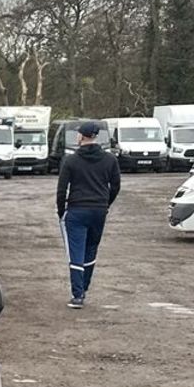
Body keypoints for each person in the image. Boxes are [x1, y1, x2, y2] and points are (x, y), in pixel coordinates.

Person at [55, 120, 121, 308]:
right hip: (99, 210)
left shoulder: (71, 160)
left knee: (75, 252)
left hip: (76, 209)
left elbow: (62, 189)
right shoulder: (110, 159)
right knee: (91, 249)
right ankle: (84, 287)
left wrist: (61, 211)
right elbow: (116, 186)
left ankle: (77, 295)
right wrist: (106, 203)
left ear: (82, 136)